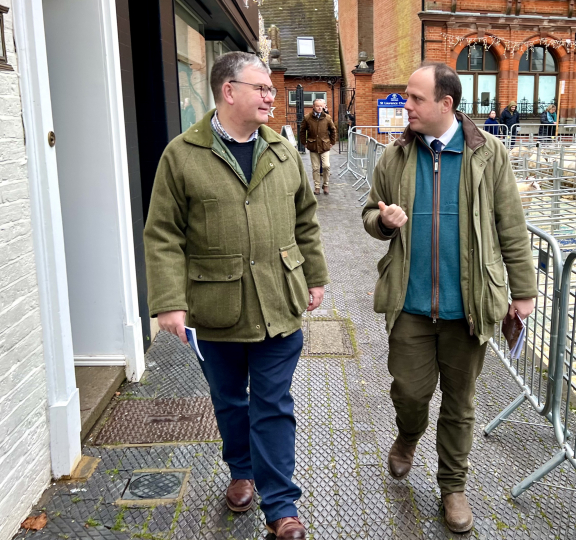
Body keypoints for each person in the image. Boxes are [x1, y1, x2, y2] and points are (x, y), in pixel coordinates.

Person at [144, 51, 330, 540]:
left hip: (278, 303)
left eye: (271, 89)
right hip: (215, 308)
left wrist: (315, 276)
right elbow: (163, 234)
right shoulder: (182, 155)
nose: (272, 96)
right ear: (230, 91)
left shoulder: (284, 150)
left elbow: (306, 220)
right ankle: (241, 470)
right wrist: (168, 300)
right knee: (229, 401)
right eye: (262, 88)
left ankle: (281, 507)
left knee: (273, 404)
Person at [362, 62, 537, 534]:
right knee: (410, 392)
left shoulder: (489, 154)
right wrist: (383, 222)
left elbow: (512, 229)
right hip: (410, 305)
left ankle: (452, 487)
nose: (406, 106)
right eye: (405, 97)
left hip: (469, 307)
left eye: (416, 99)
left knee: (460, 404)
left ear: (446, 104)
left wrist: (523, 292)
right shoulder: (395, 156)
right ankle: (407, 435)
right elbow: (368, 211)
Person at [299, 98, 338, 195]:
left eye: (321, 106)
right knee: (315, 168)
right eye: (317, 106)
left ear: (324, 106)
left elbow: (333, 130)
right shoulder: (307, 117)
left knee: (326, 166)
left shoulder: (327, 118)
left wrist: (332, 141)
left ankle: (326, 184)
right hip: (313, 145)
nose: (320, 108)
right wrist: (304, 142)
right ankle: (317, 187)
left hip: (325, 145)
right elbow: (302, 131)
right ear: (313, 106)